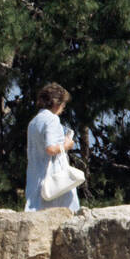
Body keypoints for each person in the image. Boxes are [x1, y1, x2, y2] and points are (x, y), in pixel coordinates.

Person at [25, 82, 80, 212]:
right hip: (55, 177)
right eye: (63, 103)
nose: (63, 107)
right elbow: (50, 148)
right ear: (56, 103)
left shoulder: (34, 121)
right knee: (69, 211)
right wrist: (66, 145)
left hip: (36, 175)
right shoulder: (52, 119)